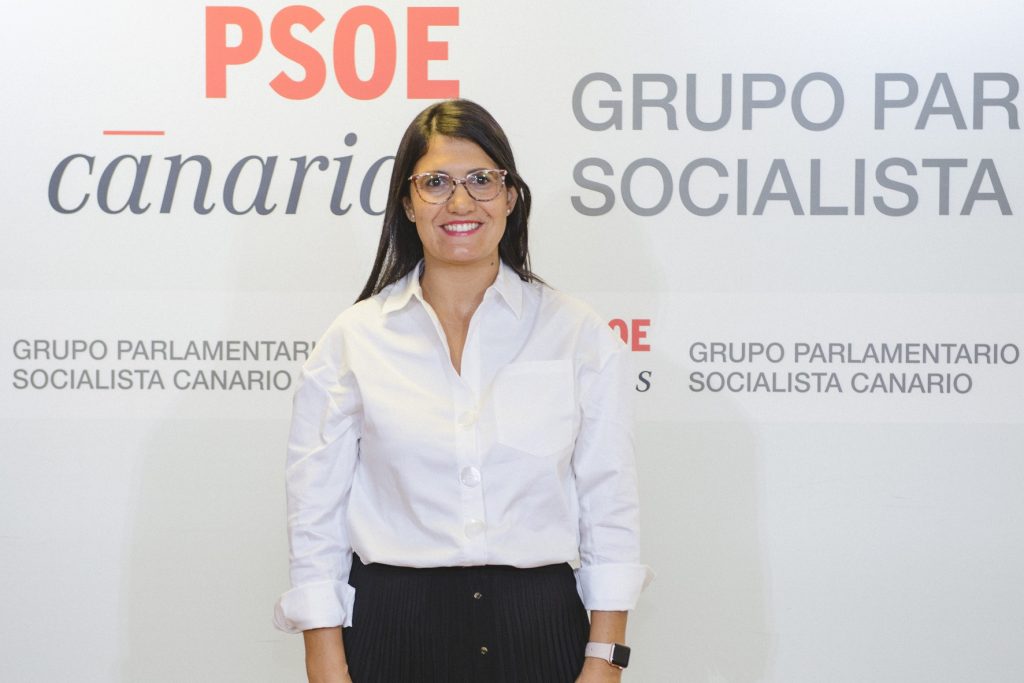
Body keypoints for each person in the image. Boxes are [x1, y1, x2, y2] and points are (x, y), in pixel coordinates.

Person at [273, 99, 652, 683]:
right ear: (407, 203)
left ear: (510, 196)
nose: (459, 202)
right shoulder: (353, 340)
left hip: (540, 631)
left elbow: (610, 505)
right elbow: (314, 520)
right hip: (391, 632)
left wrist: (605, 661)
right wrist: (325, 664)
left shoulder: (576, 333)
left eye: (481, 179)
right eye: (435, 183)